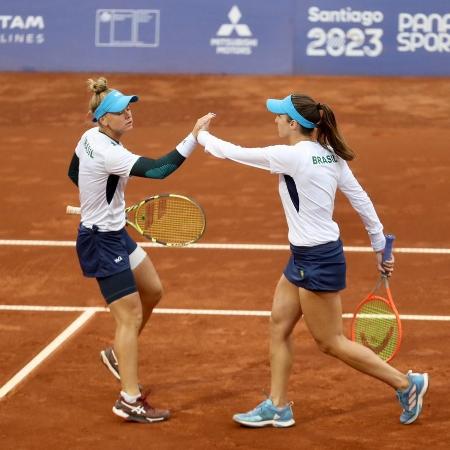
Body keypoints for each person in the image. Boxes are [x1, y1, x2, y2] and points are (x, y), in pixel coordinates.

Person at [195, 95, 428, 428]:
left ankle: (406, 384)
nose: (274, 120)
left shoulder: (292, 157)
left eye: (279, 116)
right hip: (306, 255)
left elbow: (233, 152)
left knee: (330, 342)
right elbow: (362, 201)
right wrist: (380, 248)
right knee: (279, 323)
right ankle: (277, 406)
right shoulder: (328, 157)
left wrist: (200, 135)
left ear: (293, 124)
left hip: (316, 259)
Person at [67, 77, 211, 424]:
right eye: (120, 111)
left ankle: (118, 353)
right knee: (128, 316)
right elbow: (160, 170)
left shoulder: (88, 139)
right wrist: (192, 138)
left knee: (153, 290)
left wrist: (103, 205)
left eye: (129, 107)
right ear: (104, 119)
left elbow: (74, 173)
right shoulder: (110, 151)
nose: (128, 114)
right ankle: (128, 400)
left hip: (113, 232)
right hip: (101, 241)